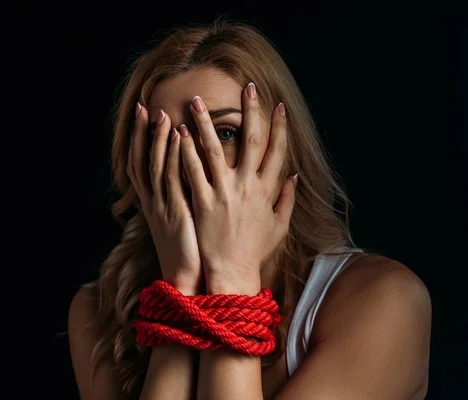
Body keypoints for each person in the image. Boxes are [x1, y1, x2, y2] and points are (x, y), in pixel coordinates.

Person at [68, 19, 431, 400]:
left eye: (224, 133)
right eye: (163, 140)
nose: (192, 165)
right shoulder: (97, 312)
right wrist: (180, 291)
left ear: (282, 147)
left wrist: (232, 277)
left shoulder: (384, 301)